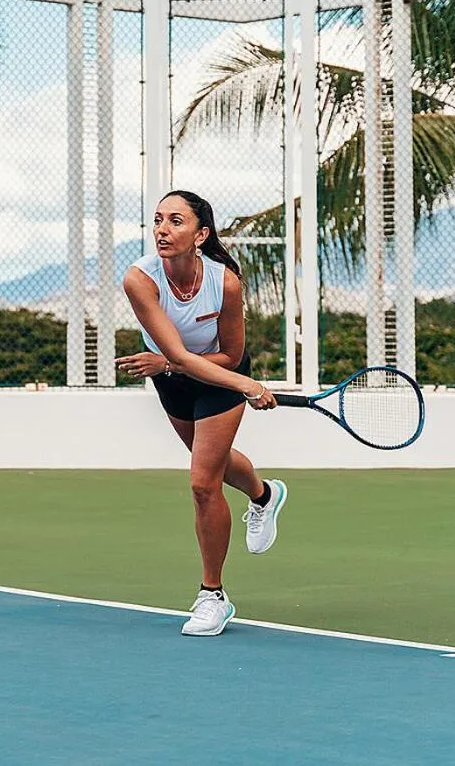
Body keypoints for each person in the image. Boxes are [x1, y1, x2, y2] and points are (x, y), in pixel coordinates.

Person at [115, 190, 286, 637]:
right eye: (157, 221)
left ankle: (213, 595)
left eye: (175, 221)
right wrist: (246, 387)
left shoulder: (225, 282)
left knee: (202, 483)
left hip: (220, 376)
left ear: (200, 234)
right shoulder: (140, 280)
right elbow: (175, 354)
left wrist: (239, 381)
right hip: (172, 378)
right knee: (212, 461)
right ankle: (265, 496)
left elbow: (232, 353)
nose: (162, 230)